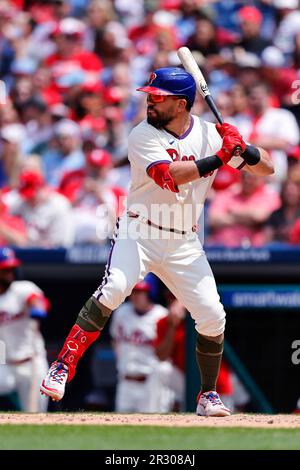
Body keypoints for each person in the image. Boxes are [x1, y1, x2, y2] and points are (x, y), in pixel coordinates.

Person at [40, 67, 274, 417]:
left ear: (180, 104)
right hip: (140, 231)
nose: (149, 101)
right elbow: (171, 178)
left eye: (157, 98)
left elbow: (266, 168)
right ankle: (63, 365)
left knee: (212, 316)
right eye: (150, 95)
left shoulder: (211, 134)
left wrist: (247, 149)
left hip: (184, 240)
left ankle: (207, 395)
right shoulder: (142, 134)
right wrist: (224, 157)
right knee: (115, 288)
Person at [110, 281, 172, 412]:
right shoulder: (121, 312)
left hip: (150, 382)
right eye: (133, 292)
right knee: (120, 425)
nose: (135, 296)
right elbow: (114, 339)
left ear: (150, 293)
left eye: (140, 292)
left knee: (152, 425)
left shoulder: (161, 315)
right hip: (125, 380)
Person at [0, 248, 49, 412]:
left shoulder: (22, 289)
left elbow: (38, 301)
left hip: (31, 360)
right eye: (5, 270)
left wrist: (37, 308)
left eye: (11, 269)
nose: (10, 273)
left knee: (35, 413)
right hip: (4, 363)